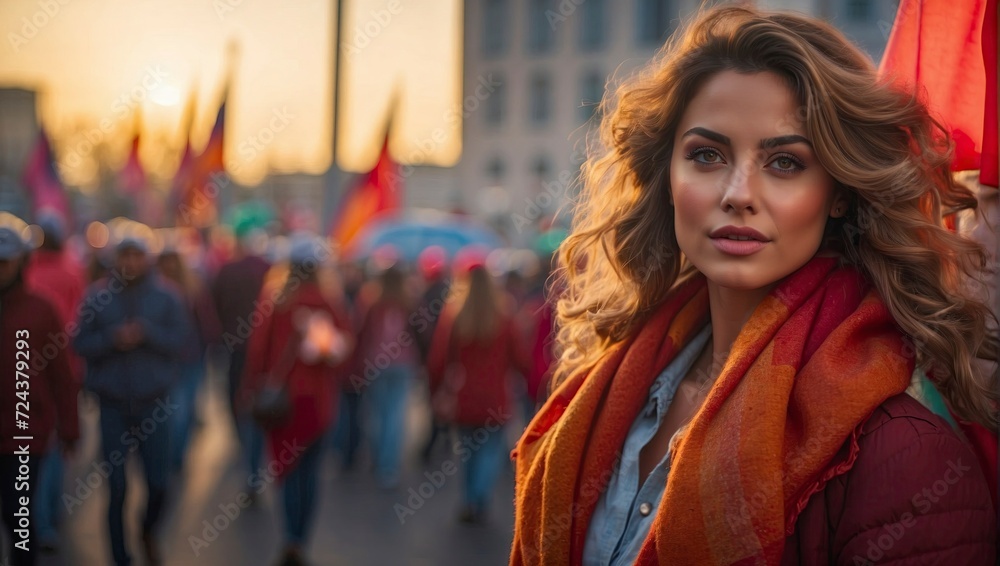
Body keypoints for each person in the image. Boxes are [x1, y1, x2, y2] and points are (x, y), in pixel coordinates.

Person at [509, 6, 998, 565]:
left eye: (785, 162)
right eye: (707, 155)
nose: (739, 192)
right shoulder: (605, 382)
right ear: (667, 178)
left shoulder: (905, 453)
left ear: (838, 191)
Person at [74, 231, 190, 566]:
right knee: (116, 487)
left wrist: (145, 334)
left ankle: (148, 530)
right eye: (124, 255)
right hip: (112, 405)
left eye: (136, 255)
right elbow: (80, 344)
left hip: (154, 402)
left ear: (147, 258)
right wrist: (113, 339)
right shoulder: (97, 297)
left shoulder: (168, 296)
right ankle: (118, 556)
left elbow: (181, 341)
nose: (130, 262)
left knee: (159, 483)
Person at [240, 234, 352, 566]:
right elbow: (343, 352)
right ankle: (302, 539)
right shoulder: (329, 302)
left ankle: (290, 536)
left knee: (287, 471)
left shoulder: (276, 301)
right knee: (312, 474)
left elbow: (258, 351)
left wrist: (249, 388)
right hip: (317, 403)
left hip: (282, 403)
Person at [428, 250, 530, 524]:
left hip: (464, 397)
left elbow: (439, 360)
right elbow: (521, 359)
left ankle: (470, 498)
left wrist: (436, 391)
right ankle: (478, 498)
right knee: (489, 451)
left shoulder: (454, 314)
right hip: (496, 397)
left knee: (468, 452)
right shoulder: (504, 314)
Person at [0, 215, 79, 566]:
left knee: (19, 520)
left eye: (4, 262)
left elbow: (61, 375)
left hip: (24, 435)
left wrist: (69, 425)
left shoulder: (41, 309)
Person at [22, 212, 86, 552]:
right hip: (63, 370)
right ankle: (46, 517)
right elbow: (81, 317)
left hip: (26, 371)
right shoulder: (72, 268)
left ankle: (37, 519)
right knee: (54, 443)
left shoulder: (25, 270)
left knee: (29, 443)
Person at [212, 227, 271, 483]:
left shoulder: (228, 271)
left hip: (236, 345)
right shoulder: (269, 270)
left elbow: (214, 305)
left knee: (237, 394)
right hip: (261, 349)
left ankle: (247, 445)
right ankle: (253, 452)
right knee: (257, 397)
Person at [355, 262, 421, 488]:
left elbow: (361, 333)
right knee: (395, 415)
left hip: (377, 362)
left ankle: (380, 458)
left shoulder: (372, 301)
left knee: (378, 413)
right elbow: (420, 332)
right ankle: (388, 464)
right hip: (403, 362)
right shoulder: (408, 300)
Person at [156, 247, 220, 473]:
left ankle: (174, 454)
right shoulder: (164, 290)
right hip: (177, 356)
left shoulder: (188, 288)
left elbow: (206, 320)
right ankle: (173, 454)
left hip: (186, 355)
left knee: (179, 408)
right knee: (179, 407)